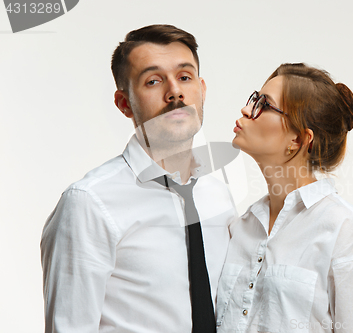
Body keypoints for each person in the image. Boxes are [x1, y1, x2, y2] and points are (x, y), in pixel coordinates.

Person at [41, 25, 236, 332]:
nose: (175, 92)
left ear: (202, 89)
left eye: (185, 77)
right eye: (153, 81)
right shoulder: (89, 203)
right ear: (124, 103)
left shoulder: (218, 196)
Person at [216, 63, 353, 332]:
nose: (246, 110)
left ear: (298, 139)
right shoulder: (240, 227)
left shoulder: (346, 230)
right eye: (254, 99)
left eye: (264, 104)